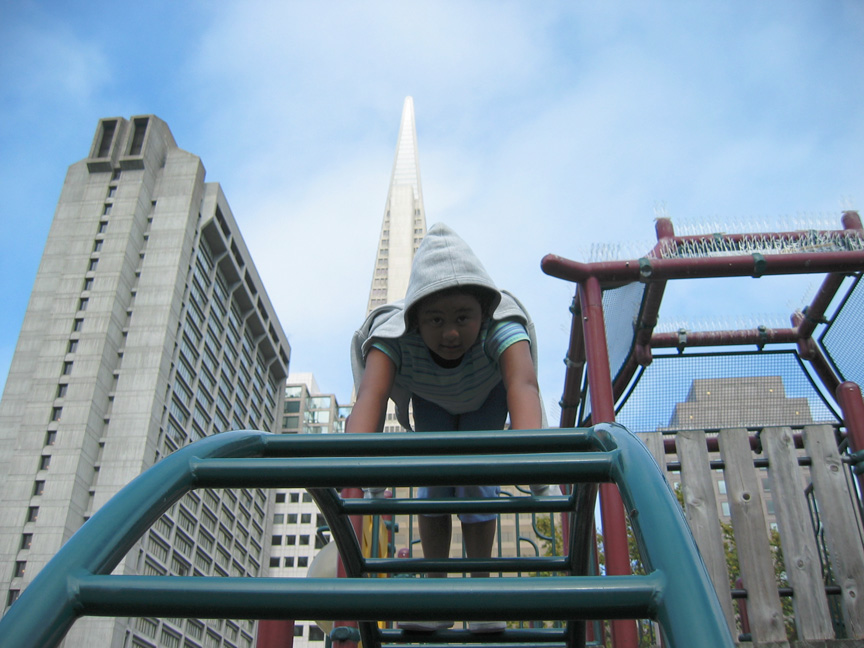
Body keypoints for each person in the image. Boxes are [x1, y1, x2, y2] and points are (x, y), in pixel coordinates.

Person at [347, 223, 545, 633]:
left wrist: (538, 466)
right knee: (434, 481)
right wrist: (362, 469)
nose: (451, 332)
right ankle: (435, 594)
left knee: (476, 480)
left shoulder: (501, 326)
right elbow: (371, 395)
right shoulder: (396, 336)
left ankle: (481, 595)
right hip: (433, 399)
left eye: (463, 317)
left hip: (486, 396)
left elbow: (523, 384)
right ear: (415, 321)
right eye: (435, 319)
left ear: (483, 312)